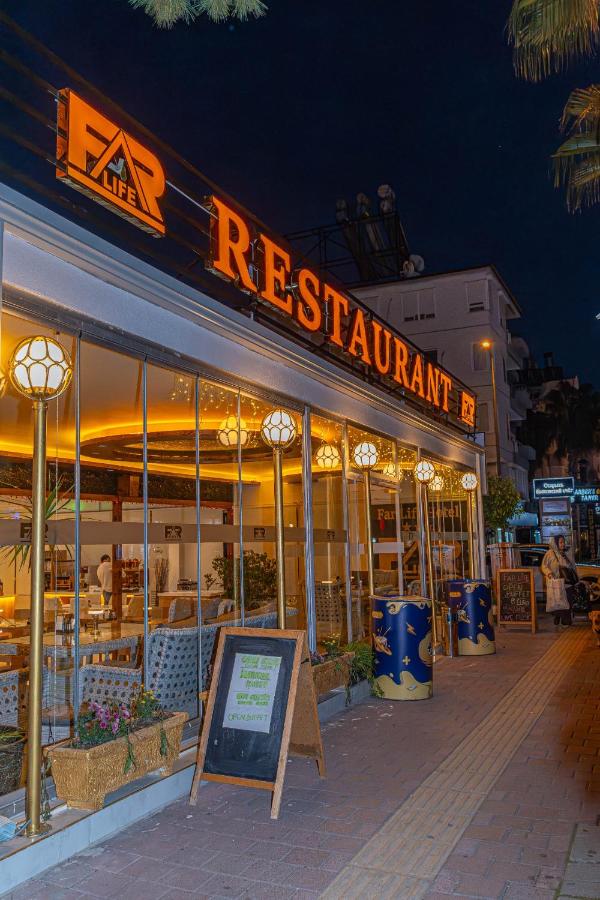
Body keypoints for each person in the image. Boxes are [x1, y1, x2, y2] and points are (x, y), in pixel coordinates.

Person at [541, 535, 577, 628]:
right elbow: (544, 566)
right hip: (557, 583)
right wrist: (549, 573)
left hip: (568, 583)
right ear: (556, 543)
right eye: (560, 542)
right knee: (558, 601)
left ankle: (565, 620)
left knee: (568, 601)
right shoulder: (550, 553)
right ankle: (560, 617)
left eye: (563, 542)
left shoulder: (566, 553)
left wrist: (577, 579)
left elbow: (573, 567)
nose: (563, 544)